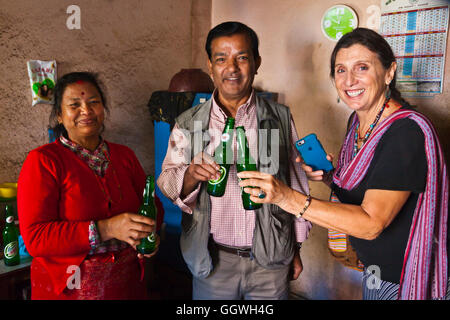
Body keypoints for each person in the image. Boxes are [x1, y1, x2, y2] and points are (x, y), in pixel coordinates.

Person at [238, 28, 449, 300]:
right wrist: (329, 177)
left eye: (362, 67)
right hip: (375, 269)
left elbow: (372, 223)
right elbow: (369, 187)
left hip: (406, 275)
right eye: (340, 70)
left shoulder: (405, 133)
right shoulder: (358, 122)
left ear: (389, 72)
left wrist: (287, 198)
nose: (349, 80)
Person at [157, 21, 311, 300]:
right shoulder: (189, 123)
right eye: (221, 59)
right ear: (210, 66)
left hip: (271, 260)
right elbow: (166, 181)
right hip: (212, 261)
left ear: (256, 62)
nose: (232, 68)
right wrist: (191, 174)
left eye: (242, 57)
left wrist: (295, 250)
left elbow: (297, 184)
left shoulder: (279, 117)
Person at [17, 72, 161, 300]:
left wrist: (148, 235)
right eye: (75, 105)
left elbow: (154, 208)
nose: (86, 110)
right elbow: (36, 238)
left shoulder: (124, 156)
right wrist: (108, 228)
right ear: (60, 116)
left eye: (94, 102)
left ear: (103, 109)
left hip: (126, 286)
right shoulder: (43, 161)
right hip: (70, 288)